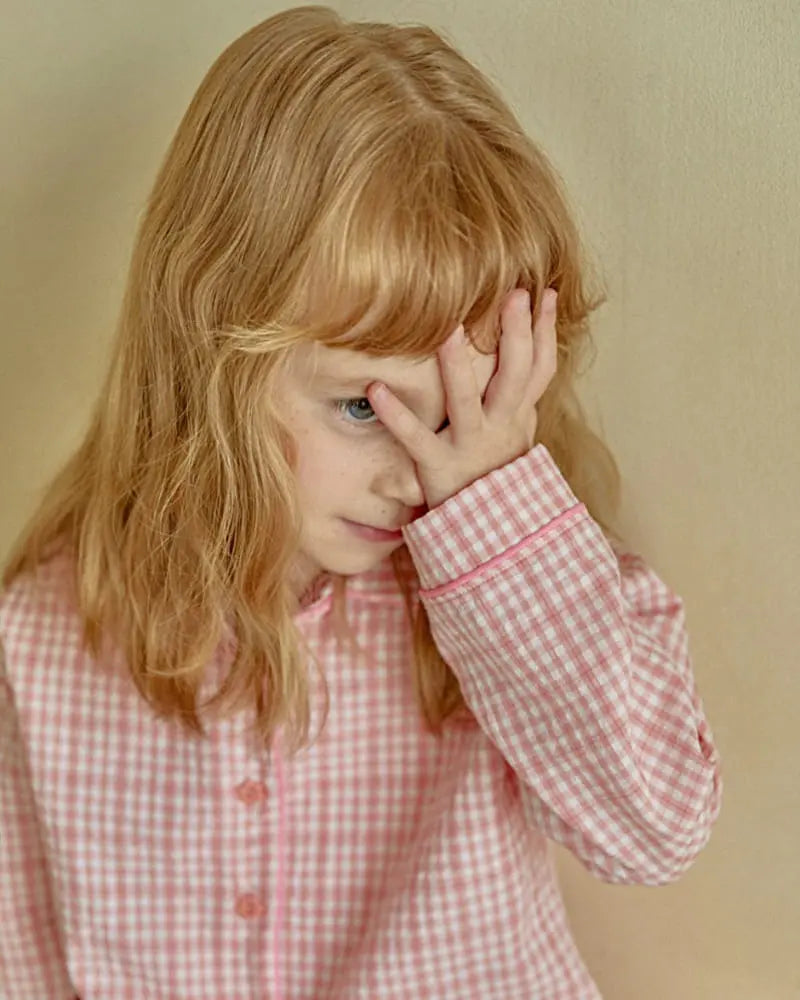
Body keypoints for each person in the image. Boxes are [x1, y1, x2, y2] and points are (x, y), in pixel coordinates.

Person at [0, 6, 723, 999]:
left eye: (467, 416)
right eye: (359, 407)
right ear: (213, 352)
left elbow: (655, 830)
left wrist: (498, 510)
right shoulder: (43, 637)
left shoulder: (504, 603)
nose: (416, 474)